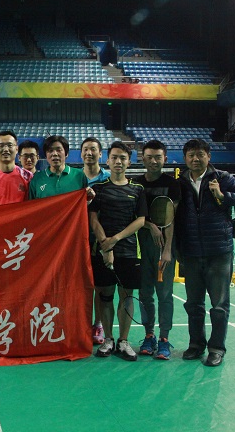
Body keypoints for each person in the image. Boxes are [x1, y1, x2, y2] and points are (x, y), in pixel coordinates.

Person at [176, 138, 235, 367]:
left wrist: (224, 196)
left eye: (200, 154)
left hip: (219, 252)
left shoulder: (222, 178)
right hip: (191, 253)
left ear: (208, 157)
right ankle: (196, 345)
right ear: (185, 158)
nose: (196, 159)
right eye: (191, 155)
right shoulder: (180, 182)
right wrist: (179, 249)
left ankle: (217, 349)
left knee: (219, 306)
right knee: (193, 304)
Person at [89, 141, 147, 361]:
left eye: (123, 158)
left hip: (129, 251)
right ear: (108, 161)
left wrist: (115, 240)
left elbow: (140, 220)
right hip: (102, 250)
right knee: (104, 295)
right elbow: (93, 219)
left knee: (126, 296)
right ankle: (108, 339)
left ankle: (123, 340)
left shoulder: (137, 189)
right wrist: (105, 243)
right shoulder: (99, 189)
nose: (118, 161)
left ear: (129, 162)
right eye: (114, 157)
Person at [135, 140, 181, 360]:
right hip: (142, 246)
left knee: (164, 294)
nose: (154, 161)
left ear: (165, 159)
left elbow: (171, 218)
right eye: (149, 157)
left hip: (164, 247)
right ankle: (149, 335)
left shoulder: (172, 184)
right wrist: (150, 225)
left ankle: (164, 338)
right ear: (142, 159)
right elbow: (134, 216)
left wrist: (168, 250)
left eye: (158, 157)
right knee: (145, 294)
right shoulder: (136, 184)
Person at [81, 137, 112, 345]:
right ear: (81, 153)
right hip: (76, 240)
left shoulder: (109, 178)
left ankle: (98, 324)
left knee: (100, 286)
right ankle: (81, 324)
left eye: (93, 149)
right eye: (86, 149)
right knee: (80, 286)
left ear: (100, 154)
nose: (89, 153)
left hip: (101, 240)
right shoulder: (75, 178)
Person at [29, 135, 91, 199]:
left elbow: (83, 201)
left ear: (66, 154)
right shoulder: (36, 179)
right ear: (46, 155)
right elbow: (32, 204)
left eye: (59, 150)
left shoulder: (79, 175)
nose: (55, 154)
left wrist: (89, 198)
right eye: (50, 150)